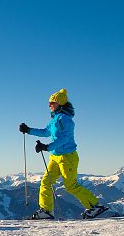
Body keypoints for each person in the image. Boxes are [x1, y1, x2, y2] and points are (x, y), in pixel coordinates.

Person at [19, 88, 108, 219]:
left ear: (59, 104)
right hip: (55, 157)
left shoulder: (65, 120)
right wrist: (28, 130)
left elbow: (65, 138)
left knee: (70, 185)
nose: (49, 105)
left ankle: (95, 206)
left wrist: (47, 147)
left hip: (67, 157)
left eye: (52, 102)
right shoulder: (55, 120)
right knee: (45, 182)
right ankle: (46, 211)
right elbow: (45, 132)